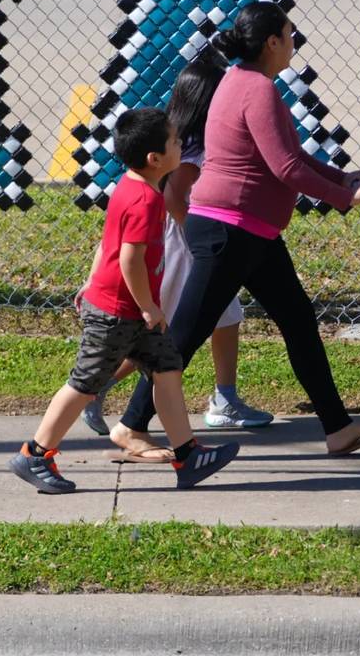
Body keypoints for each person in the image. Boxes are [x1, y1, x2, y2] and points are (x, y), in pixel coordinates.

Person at [109, 2, 360, 460]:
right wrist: (345, 198)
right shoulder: (257, 90)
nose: (293, 44)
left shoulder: (242, 82)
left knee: (299, 321)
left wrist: (342, 178)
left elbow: (290, 156)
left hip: (251, 233)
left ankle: (338, 429)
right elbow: (285, 168)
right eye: (289, 34)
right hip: (229, 232)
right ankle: (129, 424)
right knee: (184, 334)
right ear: (271, 42)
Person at [11, 108, 240, 492]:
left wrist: (91, 281)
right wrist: (150, 306)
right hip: (118, 313)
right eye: (174, 141)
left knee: (168, 367)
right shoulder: (146, 202)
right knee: (85, 383)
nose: (180, 143)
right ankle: (35, 454)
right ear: (155, 159)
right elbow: (131, 259)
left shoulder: (132, 185)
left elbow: (108, 244)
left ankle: (187, 455)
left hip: (129, 310)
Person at [81, 47, 276, 435]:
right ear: (209, 102)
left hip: (189, 239)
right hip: (182, 244)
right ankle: (97, 387)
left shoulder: (181, 137)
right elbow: (173, 199)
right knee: (164, 332)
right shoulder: (192, 147)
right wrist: (197, 239)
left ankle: (226, 397)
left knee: (226, 318)